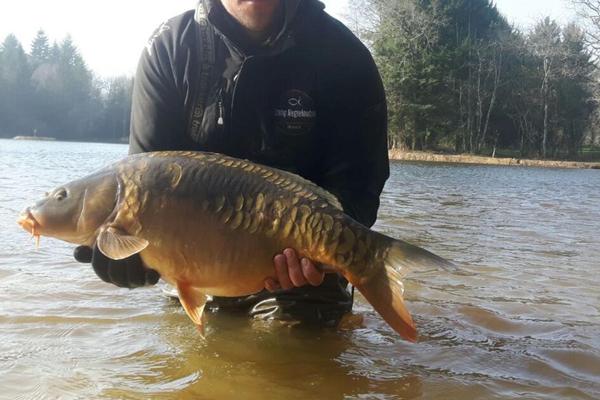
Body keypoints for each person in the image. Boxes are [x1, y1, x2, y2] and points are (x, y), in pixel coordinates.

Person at [74, 0, 389, 327]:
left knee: (289, 347)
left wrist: (319, 250)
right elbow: (142, 184)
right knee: (185, 354)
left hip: (302, 280)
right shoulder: (169, 48)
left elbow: (358, 193)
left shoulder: (345, 57)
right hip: (191, 272)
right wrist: (130, 261)